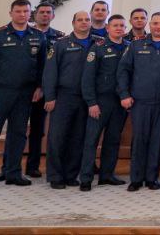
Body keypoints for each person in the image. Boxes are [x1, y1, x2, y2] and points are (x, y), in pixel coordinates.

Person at [0, 0, 45, 193]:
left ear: (31, 14)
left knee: (18, 134)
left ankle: (13, 173)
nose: (22, 14)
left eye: (26, 11)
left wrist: (39, 87)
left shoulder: (38, 36)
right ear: (11, 13)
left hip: (25, 94)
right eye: (18, 11)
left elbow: (42, 66)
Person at [117, 11, 160, 190]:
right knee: (140, 140)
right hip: (140, 102)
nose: (158, 27)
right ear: (150, 25)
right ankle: (136, 178)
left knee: (157, 141)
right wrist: (124, 94)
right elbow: (123, 71)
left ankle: (151, 178)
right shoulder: (136, 45)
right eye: (155, 23)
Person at [42, 10, 92, 189]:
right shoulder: (61, 44)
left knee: (78, 137)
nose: (84, 22)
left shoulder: (96, 43)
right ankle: (55, 175)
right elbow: (50, 72)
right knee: (58, 136)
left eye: (87, 20)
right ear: (73, 23)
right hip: (64, 96)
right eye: (80, 20)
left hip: (86, 98)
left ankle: (71, 174)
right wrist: (50, 96)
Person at [79, 14, 129, 191]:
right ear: (107, 28)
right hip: (100, 101)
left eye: (122, 26)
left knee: (113, 139)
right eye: (115, 25)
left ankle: (107, 175)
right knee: (91, 140)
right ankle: (85, 178)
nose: (119, 28)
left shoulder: (129, 48)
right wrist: (91, 102)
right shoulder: (98, 48)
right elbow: (87, 78)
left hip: (119, 103)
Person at [25, 3, 62, 179]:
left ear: (53, 16)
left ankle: (33, 166)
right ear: (35, 15)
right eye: (42, 12)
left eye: (48, 13)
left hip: (49, 90)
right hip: (26, 89)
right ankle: (8, 167)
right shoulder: (26, 34)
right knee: (17, 129)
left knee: (39, 130)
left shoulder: (60, 38)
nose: (45, 15)